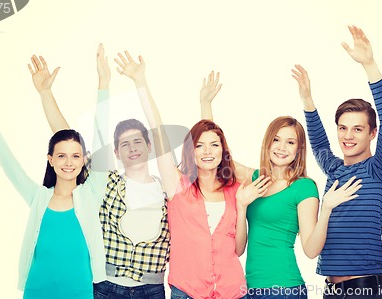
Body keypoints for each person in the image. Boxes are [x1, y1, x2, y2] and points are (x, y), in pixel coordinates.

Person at [111, 53, 270, 299]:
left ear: (223, 149)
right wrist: (140, 82)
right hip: (187, 292)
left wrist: (241, 204)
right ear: (190, 151)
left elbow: (238, 249)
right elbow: (159, 131)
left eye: (215, 145)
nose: (207, 151)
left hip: (233, 292)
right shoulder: (178, 185)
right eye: (199, 146)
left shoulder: (235, 190)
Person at [200, 73, 362, 299]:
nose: (281, 147)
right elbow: (217, 157)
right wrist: (205, 105)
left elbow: (311, 250)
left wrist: (326, 209)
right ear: (268, 142)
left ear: (298, 149)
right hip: (249, 288)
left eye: (290, 142)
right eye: (276, 139)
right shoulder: (255, 178)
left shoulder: (303, 187)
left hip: (285, 289)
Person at [28, 45, 169, 299]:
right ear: (116, 153)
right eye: (124, 144)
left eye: (138, 141)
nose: (132, 148)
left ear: (149, 146)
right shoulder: (106, 183)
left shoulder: (168, 187)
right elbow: (69, 143)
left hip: (152, 289)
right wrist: (46, 94)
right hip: (107, 287)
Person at [0, 75, 108, 299]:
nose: (68, 163)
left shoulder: (91, 193)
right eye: (61, 156)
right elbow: (9, 164)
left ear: (82, 160)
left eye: (75, 156)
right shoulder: (39, 197)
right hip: (37, 290)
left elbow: (102, 140)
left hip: (79, 291)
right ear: (50, 159)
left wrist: (103, 83)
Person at [292, 25, 382, 299]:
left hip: (364, 290)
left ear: (372, 133)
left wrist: (370, 65)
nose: (348, 136)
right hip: (331, 290)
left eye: (358, 129)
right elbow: (318, 143)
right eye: (342, 128)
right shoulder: (335, 169)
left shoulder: (380, 169)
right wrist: (307, 99)